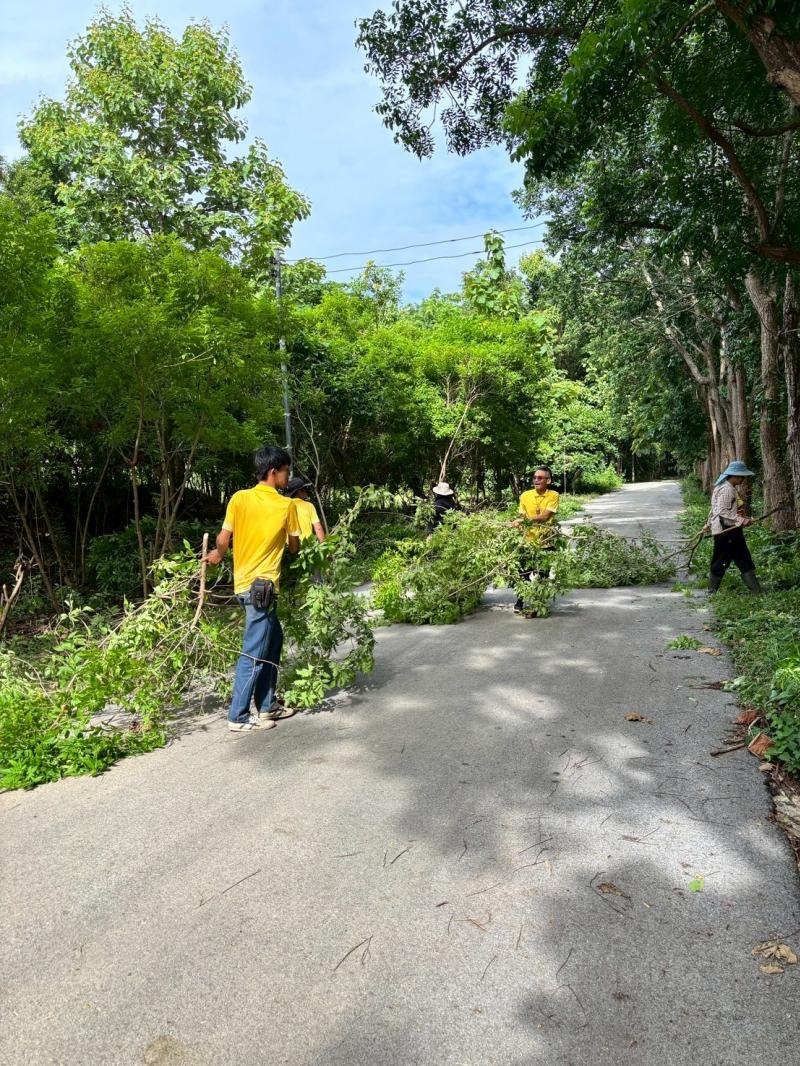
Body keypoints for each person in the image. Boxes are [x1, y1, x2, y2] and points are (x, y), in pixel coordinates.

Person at [204, 445, 301, 731]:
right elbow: (294, 547)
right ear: (273, 472)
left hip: (244, 585)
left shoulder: (239, 498)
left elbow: (223, 538)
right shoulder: (287, 506)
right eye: (286, 472)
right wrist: (289, 537)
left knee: (274, 640)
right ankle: (238, 716)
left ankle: (267, 705)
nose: (287, 477)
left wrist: (218, 554)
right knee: (254, 651)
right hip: (263, 588)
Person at [707, 460, 761, 594]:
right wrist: (742, 520)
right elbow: (722, 511)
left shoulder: (726, 487)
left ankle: (755, 590)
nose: (743, 480)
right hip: (726, 531)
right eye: (742, 477)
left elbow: (719, 509)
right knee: (722, 559)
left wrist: (744, 519)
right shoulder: (726, 489)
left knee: (742, 557)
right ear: (735, 476)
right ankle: (712, 590)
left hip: (731, 530)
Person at [513, 466, 560, 614]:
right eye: (534, 477)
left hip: (546, 542)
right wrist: (517, 524)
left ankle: (539, 602)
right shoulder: (525, 495)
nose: (536, 480)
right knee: (523, 574)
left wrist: (524, 520)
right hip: (527, 542)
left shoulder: (553, 495)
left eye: (540, 478)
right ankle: (520, 601)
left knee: (543, 575)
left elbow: (545, 517)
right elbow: (521, 516)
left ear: (548, 480)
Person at [286, 476, 326, 543]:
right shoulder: (309, 506)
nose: (306, 491)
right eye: (305, 489)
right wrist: (323, 545)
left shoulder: (284, 505)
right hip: (307, 546)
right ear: (299, 491)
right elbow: (318, 528)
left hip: (289, 546)